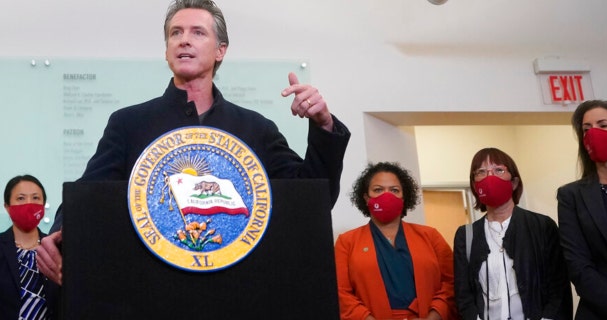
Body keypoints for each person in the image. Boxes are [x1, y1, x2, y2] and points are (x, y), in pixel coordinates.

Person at [36, 0, 350, 286]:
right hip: (152, 289)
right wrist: (60, 233)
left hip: (238, 289)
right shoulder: (129, 123)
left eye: (198, 32)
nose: (184, 39)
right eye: (176, 33)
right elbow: (91, 191)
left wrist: (323, 125)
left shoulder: (255, 129)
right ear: (167, 49)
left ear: (220, 50)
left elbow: (312, 199)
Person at [453, 148, 572, 320]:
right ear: (474, 185)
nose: (489, 177)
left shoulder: (542, 226)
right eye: (481, 172)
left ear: (514, 182)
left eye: (498, 170)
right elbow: (463, 295)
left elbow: (558, 288)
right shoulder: (466, 235)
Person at [334, 162, 456, 320]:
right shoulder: (347, 242)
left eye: (394, 190)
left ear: (404, 197)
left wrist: (433, 317)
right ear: (366, 197)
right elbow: (341, 292)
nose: (387, 195)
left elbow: (452, 283)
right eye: (378, 190)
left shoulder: (430, 236)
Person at [557, 100, 607, 319]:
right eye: (586, 130)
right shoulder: (571, 196)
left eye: (603, 125)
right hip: (603, 312)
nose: (593, 134)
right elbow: (579, 268)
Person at [1, 175, 58, 319]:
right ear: (7, 206)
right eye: (21, 198)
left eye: (35, 198)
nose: (29, 204)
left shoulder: (57, 248)